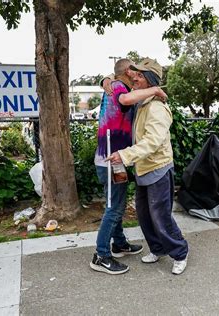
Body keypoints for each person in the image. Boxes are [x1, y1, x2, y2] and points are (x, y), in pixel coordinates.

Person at [108, 58, 189, 275]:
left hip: (158, 169)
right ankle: (157, 248)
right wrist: (105, 80)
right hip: (143, 168)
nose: (134, 77)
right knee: (144, 215)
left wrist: (124, 155)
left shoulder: (157, 108)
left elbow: (152, 142)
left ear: (151, 80)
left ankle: (180, 252)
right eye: (135, 74)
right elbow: (118, 85)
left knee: (161, 216)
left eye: (140, 75)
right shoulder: (142, 102)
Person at [90, 58, 167, 275]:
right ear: (127, 70)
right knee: (114, 208)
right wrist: (156, 90)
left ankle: (119, 244)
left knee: (117, 204)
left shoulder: (114, 84)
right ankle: (101, 255)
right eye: (134, 69)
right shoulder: (117, 87)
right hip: (111, 160)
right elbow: (125, 99)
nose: (136, 73)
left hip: (115, 158)